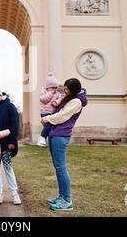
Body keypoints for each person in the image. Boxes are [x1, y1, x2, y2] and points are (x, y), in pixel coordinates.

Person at [41, 78, 87, 211]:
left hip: (61, 136)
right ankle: (61, 197)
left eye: (67, 89)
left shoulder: (76, 101)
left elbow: (62, 116)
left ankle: (67, 201)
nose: (64, 91)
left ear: (74, 90)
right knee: (58, 168)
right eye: (64, 88)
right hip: (55, 135)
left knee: (61, 168)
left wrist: (46, 119)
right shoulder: (70, 98)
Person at [0, 86, 22, 205]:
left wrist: (13, 141)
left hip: (7, 144)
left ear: (0, 94)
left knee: (7, 168)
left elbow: (15, 124)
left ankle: (14, 194)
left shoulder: (9, 106)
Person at [37, 73, 63, 147]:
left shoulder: (57, 93)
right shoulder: (44, 91)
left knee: (50, 127)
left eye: (55, 88)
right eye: (52, 88)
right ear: (47, 87)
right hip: (45, 112)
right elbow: (43, 99)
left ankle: (46, 140)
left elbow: (60, 99)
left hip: (53, 112)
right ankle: (42, 137)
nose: (54, 90)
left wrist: (56, 102)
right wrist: (50, 94)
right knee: (48, 125)